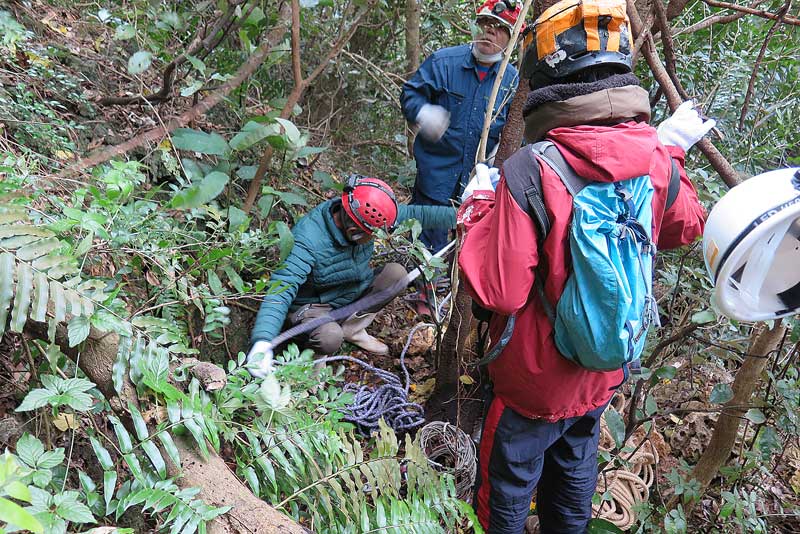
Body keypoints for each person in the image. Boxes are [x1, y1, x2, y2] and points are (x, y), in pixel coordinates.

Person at [456, 0, 714, 531]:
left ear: (544, 72)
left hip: (531, 380)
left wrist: (479, 209)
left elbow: (500, 292)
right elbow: (684, 227)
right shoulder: (656, 156)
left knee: (504, 493)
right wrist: (673, 154)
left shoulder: (532, 166)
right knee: (573, 483)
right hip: (604, 368)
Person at [246, 175, 456, 378]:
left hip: (349, 294)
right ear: (355, 232)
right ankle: (313, 365)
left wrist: (462, 215)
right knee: (330, 336)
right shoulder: (308, 239)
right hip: (312, 309)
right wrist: (263, 340)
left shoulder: (361, 213)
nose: (380, 237)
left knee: (396, 275)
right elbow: (281, 289)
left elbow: (416, 214)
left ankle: (352, 330)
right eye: (374, 235)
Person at [400, 0, 523, 255]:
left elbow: (520, 127)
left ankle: (454, 292)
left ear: (511, 40)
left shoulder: (512, 83)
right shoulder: (444, 62)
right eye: (486, 24)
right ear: (475, 27)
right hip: (436, 174)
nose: (490, 31)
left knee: (468, 248)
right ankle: (425, 291)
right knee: (426, 245)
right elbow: (410, 94)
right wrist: (424, 112)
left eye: (499, 28)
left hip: (479, 182)